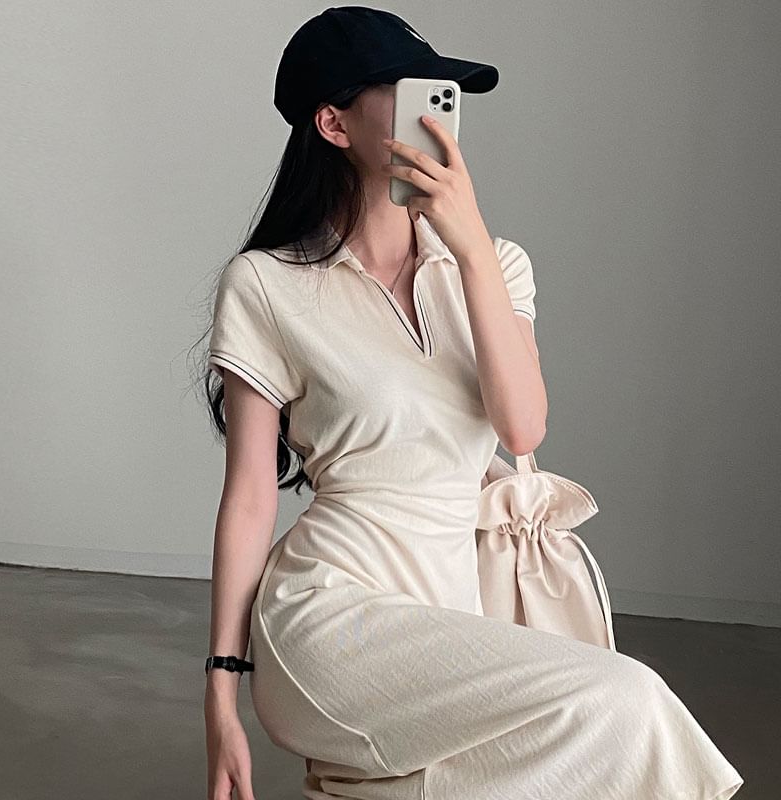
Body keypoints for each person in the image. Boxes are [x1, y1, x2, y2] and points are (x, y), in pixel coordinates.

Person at [202, 7, 745, 800]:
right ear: (334, 123)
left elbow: (523, 426)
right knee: (627, 696)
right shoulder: (266, 283)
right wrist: (221, 693)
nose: (438, 114)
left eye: (446, 95)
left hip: (448, 609)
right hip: (330, 613)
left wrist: (472, 246)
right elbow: (251, 496)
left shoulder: (496, 265)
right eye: (412, 93)